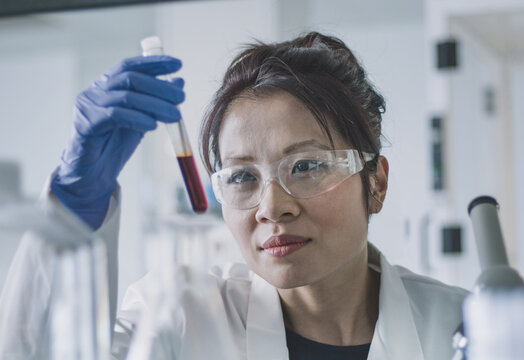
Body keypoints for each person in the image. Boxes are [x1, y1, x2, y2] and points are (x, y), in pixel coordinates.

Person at [2, 32, 467, 359]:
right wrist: (75, 205)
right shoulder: (176, 318)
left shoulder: (466, 329)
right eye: (243, 177)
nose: (272, 207)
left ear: (377, 183)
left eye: (305, 166)